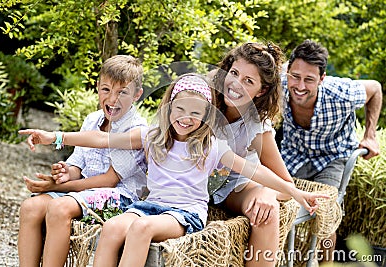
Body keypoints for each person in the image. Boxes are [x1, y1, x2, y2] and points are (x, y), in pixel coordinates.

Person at [19, 73, 328, 267]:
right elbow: (101, 137)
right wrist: (55, 137)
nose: (186, 117)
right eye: (179, 109)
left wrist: (294, 191)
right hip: (148, 206)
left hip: (185, 213)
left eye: (196, 112)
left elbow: (258, 172)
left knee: (141, 229)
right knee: (113, 228)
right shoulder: (153, 137)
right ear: (168, 108)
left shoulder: (212, 147)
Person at [17, 55, 148, 267]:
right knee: (30, 207)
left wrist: (61, 186)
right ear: (97, 88)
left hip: (121, 197)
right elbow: (78, 162)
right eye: (106, 90)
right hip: (83, 191)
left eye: (122, 92)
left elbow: (108, 181)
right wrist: (66, 172)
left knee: (59, 208)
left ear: (137, 95)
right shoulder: (92, 119)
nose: (113, 99)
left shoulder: (137, 130)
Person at [279, 39, 382, 262]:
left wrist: (370, 135)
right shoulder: (278, 84)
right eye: (295, 76)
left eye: (309, 80)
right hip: (293, 152)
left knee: (326, 210)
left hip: (332, 157)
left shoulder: (341, 93)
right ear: (288, 71)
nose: (300, 86)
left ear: (322, 79)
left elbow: (375, 88)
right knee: (271, 198)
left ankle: (326, 264)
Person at [209, 41, 295, 266]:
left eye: (248, 81)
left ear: (262, 90)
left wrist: (268, 192)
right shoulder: (204, 99)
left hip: (230, 186)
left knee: (267, 211)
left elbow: (286, 184)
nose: (236, 84)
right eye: (234, 73)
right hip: (190, 180)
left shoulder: (257, 128)